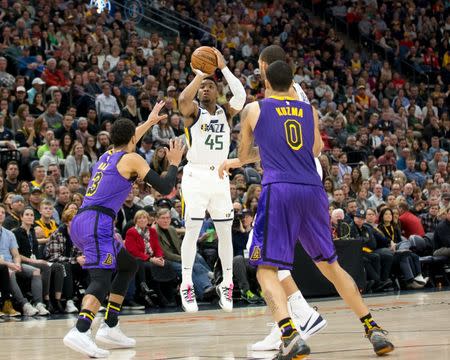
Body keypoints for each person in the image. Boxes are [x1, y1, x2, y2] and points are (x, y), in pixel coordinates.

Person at [219, 60, 394, 358]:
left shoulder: (254, 109)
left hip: (280, 190)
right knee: (332, 267)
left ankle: (289, 334)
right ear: (291, 82)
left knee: (264, 268)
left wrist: (262, 151)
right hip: (313, 191)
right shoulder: (308, 109)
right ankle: (372, 327)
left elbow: (245, 155)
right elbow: (314, 149)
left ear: (266, 80)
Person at [63, 101, 184, 358]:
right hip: (97, 223)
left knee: (128, 264)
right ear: (132, 139)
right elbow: (164, 187)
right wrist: (173, 163)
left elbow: (129, 138)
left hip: (86, 220)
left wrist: (149, 122)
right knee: (101, 279)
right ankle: (81, 330)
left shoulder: (109, 154)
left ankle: (110, 325)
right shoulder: (132, 159)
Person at [249, 45, 328, 351]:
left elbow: (294, 142)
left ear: (265, 66)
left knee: (263, 253)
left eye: (259, 66)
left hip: (295, 174)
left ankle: (297, 319)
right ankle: (292, 319)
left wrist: (240, 160)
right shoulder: (293, 89)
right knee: (268, 253)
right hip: (303, 172)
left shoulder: (279, 95)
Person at [177, 48, 246, 313]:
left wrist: (224, 68)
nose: (205, 89)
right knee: (193, 231)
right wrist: (199, 74)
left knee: (225, 233)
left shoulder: (225, 113)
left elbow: (240, 95)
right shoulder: (194, 112)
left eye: (209, 86)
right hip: (195, 175)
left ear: (217, 92)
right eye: (202, 87)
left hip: (219, 177)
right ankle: (186, 285)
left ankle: (227, 283)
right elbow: (183, 100)